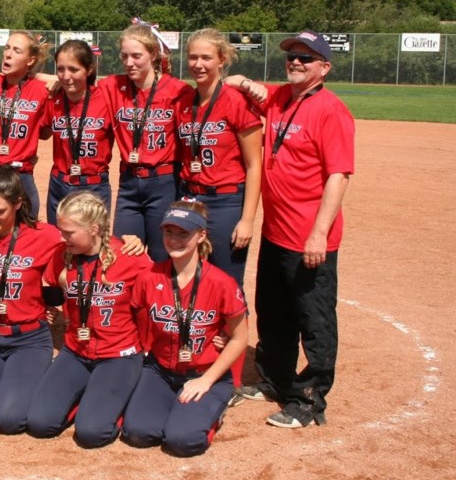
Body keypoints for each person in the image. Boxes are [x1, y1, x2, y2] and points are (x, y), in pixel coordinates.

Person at [229, 30, 354, 429]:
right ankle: (274, 380)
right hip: (276, 233)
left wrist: (319, 233)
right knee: (275, 312)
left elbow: (338, 175)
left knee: (313, 319)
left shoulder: (331, 110)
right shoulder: (283, 97)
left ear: (325, 67)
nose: (297, 62)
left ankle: (311, 397)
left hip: (309, 238)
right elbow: (261, 94)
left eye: (306, 57)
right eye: (292, 56)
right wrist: (240, 80)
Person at [122, 200, 248, 456]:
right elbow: (132, 317)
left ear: (202, 235)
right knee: (138, 433)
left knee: (182, 441)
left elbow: (239, 338)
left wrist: (207, 380)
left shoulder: (222, 283)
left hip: (204, 372)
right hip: (160, 370)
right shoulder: (149, 276)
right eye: (169, 232)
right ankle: (174, 405)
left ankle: (215, 407)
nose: (174, 240)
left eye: (183, 233)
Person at [26, 191, 151, 448]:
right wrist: (51, 309)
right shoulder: (63, 254)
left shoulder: (130, 256)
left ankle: (113, 402)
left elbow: (159, 299)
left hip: (118, 355)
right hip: (76, 351)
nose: (61, 237)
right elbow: (49, 284)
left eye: (69, 232)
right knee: (39, 424)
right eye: (61, 230)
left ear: (94, 229)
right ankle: (88, 398)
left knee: (92, 434)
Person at [177, 29, 262, 397]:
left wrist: (247, 219)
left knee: (227, 286)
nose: (198, 64)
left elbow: (255, 165)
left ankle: (231, 378)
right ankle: (193, 361)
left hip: (226, 200)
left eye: (206, 58)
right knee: (190, 279)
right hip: (190, 199)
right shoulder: (184, 100)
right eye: (193, 57)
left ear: (222, 60)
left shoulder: (236, 100)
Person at [0, 166, 63, 434]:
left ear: (18, 203)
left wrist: (129, 242)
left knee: (9, 420)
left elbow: (88, 242)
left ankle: (42, 377)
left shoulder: (44, 234)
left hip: (27, 340)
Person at [101, 21, 194, 260]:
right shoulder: (114, 86)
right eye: (124, 56)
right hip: (129, 183)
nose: (129, 62)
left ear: (153, 54)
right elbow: (75, 80)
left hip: (163, 182)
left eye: (136, 56)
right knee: (123, 252)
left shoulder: (178, 91)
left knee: (164, 254)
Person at [0, 30, 53, 218]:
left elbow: (45, 132)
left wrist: (35, 76)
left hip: (18, 177)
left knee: (23, 241)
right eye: (7, 48)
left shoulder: (40, 90)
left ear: (30, 60)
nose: (8, 54)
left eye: (16, 50)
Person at [45, 39, 115, 223]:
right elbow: (43, 132)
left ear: (89, 70)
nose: (66, 76)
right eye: (60, 69)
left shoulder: (106, 99)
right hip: (59, 184)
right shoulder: (54, 100)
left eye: (74, 69)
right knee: (58, 244)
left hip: (93, 186)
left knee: (93, 246)